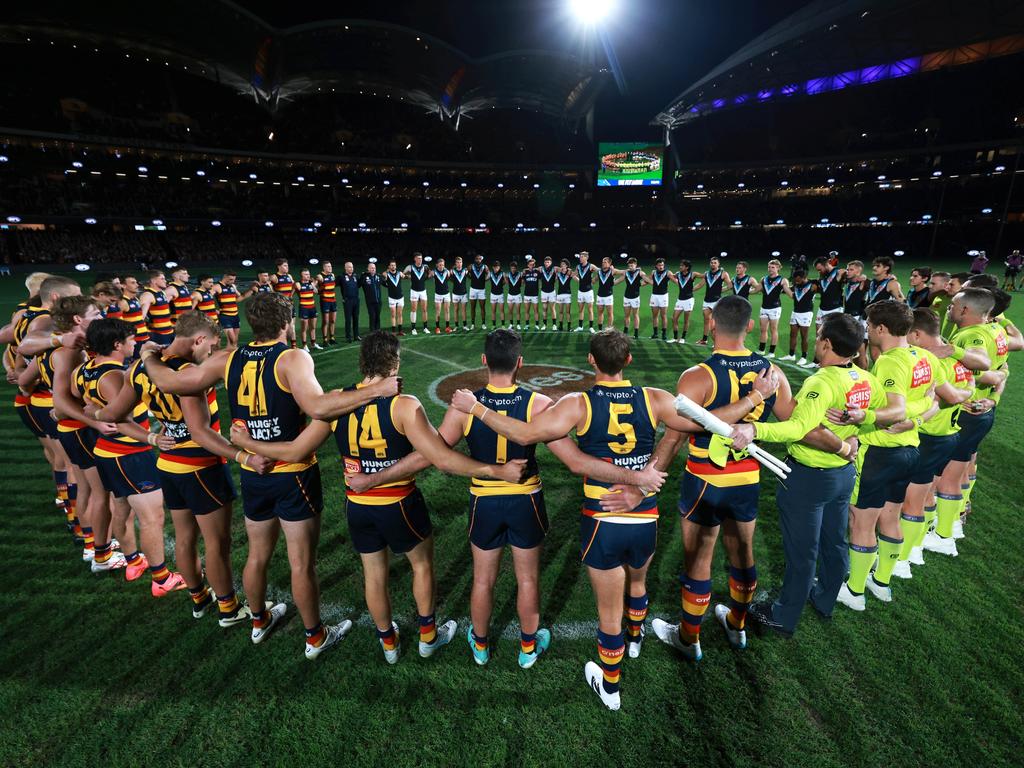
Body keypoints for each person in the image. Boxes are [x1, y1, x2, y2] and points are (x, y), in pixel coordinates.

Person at [338, 330, 665, 668]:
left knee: (482, 579)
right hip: (526, 501)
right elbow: (569, 454)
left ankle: (480, 645)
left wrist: (378, 475)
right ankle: (527, 647)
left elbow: (435, 453)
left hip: (484, 500)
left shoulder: (465, 407)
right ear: (520, 364)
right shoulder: (537, 404)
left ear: (484, 361)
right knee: (527, 578)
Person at [449, 331, 737, 711]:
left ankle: (610, 685)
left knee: (605, 612)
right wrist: (644, 477)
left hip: (600, 518)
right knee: (637, 583)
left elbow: (530, 436)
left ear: (591, 360)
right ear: (629, 360)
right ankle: (632, 639)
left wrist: (478, 409)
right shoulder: (656, 398)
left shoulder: (576, 403)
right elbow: (695, 426)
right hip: (643, 514)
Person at [230, 331, 528, 664]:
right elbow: (442, 458)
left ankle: (388, 644)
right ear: (395, 362)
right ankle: (428, 637)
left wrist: (249, 447)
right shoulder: (404, 405)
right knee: (422, 565)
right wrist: (494, 470)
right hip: (399, 502)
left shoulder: (337, 403)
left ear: (362, 362)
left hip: (358, 505)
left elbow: (296, 449)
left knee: (374, 574)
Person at [141, 293, 401, 657]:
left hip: (254, 468)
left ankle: (259, 620)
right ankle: (315, 637)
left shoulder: (228, 358)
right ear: (286, 323)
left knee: (257, 555)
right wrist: (377, 389)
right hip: (292, 472)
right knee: (300, 563)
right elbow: (317, 406)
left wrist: (148, 356)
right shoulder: (293, 357)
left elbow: (171, 383)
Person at [633, 297, 792, 659]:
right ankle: (736, 628)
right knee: (743, 554)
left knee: (699, 559)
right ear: (750, 327)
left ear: (711, 325)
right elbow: (790, 421)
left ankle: (689, 639)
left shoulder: (696, 376)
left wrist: (646, 480)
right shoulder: (772, 373)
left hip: (705, 479)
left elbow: (673, 438)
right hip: (748, 479)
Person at [96, 312, 266, 624]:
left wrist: (102, 414)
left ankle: (199, 598)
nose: (211, 354)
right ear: (198, 340)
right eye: (210, 347)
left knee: (185, 537)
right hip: (201, 466)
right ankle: (228, 608)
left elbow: (115, 415)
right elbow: (201, 432)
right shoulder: (187, 373)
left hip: (168, 465)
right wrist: (242, 457)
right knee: (217, 544)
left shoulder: (139, 367)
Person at [729, 314, 877, 637]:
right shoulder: (864, 378)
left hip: (810, 476)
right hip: (843, 474)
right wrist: (852, 439)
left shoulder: (821, 381)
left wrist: (754, 428)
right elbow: (881, 412)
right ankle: (825, 599)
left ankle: (784, 616)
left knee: (802, 551)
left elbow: (799, 428)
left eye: (818, 334)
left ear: (826, 343)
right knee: (834, 540)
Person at [833, 301, 937, 610]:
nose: (865, 329)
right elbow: (930, 401)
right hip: (909, 450)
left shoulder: (891, 361)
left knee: (861, 521)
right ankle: (881, 582)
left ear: (881, 328)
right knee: (891, 517)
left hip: (879, 452)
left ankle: (853, 592)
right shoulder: (924, 357)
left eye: (868, 324)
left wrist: (861, 415)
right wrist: (917, 417)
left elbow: (895, 409)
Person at [75, 318, 187, 596]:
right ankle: (161, 579)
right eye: (130, 340)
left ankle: (134, 562)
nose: (134, 343)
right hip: (129, 454)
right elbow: (118, 420)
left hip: (105, 452)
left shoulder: (84, 368)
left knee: (122, 508)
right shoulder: (114, 376)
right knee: (152, 517)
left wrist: (92, 411)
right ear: (117, 344)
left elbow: (78, 400)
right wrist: (151, 438)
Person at [891, 308, 977, 578]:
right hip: (948, 435)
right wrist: (972, 390)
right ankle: (917, 545)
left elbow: (945, 397)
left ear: (916, 334)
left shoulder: (932, 361)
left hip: (928, 435)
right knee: (927, 492)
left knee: (911, 499)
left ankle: (904, 559)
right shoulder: (957, 358)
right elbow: (964, 388)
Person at [45, 296, 126, 567]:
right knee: (99, 492)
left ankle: (92, 542)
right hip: (79, 429)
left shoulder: (65, 344)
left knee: (87, 488)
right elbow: (61, 400)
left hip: (72, 428)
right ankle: (98, 551)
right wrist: (93, 419)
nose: (101, 315)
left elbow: (26, 376)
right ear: (78, 320)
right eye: (95, 312)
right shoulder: (71, 349)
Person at [924, 288, 1000, 556]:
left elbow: (984, 363)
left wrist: (951, 350)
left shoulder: (972, 334)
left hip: (968, 412)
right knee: (960, 471)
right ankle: (950, 526)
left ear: (966, 310)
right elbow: (1003, 371)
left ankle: (943, 534)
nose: (949, 308)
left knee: (946, 478)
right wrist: (995, 398)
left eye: (954, 304)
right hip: (981, 410)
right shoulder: (996, 330)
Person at [779, 269, 816, 367]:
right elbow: (792, 292)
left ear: (804, 278)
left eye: (798, 280)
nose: (797, 282)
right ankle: (791, 355)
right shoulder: (796, 285)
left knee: (804, 336)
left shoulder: (812, 285)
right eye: (795, 280)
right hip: (795, 312)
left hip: (806, 313)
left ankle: (804, 357)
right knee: (793, 334)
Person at [757, 259, 788, 358]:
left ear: (778, 268)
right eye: (769, 267)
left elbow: (788, 290)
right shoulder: (763, 279)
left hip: (775, 308)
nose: (770, 269)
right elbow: (757, 289)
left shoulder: (782, 280)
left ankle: (771, 352)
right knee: (763, 330)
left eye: (773, 267)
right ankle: (761, 350)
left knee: (773, 330)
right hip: (764, 307)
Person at [696, 255, 730, 345]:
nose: (713, 264)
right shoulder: (707, 274)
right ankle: (704, 339)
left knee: (717, 323)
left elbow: (730, 285)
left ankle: (718, 341)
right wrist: (690, 289)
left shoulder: (723, 273)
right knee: (706, 320)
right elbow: (700, 285)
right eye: (711, 263)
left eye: (715, 263)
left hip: (716, 301)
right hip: (706, 301)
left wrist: (722, 290)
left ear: (718, 264)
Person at [843, 260, 869, 366]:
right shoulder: (849, 282)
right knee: (852, 349)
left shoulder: (863, 283)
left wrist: (865, 278)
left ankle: (864, 375)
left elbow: (873, 284)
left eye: (851, 270)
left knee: (861, 350)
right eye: (847, 269)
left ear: (859, 271)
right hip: (849, 316)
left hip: (858, 318)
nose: (848, 271)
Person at [140, 269, 175, 346]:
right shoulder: (148, 295)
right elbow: (140, 318)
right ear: (153, 281)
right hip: (159, 335)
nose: (165, 281)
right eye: (162, 279)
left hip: (170, 332)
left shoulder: (162, 293)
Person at [668, 259, 698, 344]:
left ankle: (683, 338)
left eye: (682, 266)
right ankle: (675, 338)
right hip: (680, 300)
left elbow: (705, 276)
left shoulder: (693, 274)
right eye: (680, 265)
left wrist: (696, 287)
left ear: (687, 267)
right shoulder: (678, 274)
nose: (680, 267)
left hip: (689, 300)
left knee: (686, 320)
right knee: (674, 318)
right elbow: (671, 276)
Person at [211, 272, 241, 348]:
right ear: (225, 278)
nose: (232, 281)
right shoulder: (217, 286)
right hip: (225, 316)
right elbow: (207, 299)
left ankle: (232, 356)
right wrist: (214, 309)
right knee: (232, 339)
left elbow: (239, 296)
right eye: (231, 279)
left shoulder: (232, 286)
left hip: (235, 315)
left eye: (234, 279)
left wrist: (235, 289)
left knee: (235, 341)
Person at [404, 252, 431, 335]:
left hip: (423, 291)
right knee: (414, 310)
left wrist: (426, 277)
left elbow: (430, 273)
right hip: (414, 291)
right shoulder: (410, 267)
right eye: (418, 258)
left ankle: (425, 328)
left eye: (421, 258)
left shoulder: (425, 266)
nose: (420, 260)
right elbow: (403, 274)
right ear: (415, 259)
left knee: (424, 309)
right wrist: (408, 277)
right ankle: (413, 329)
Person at [813, 256, 844, 326]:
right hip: (822, 308)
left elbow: (847, 277)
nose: (819, 272)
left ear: (826, 265)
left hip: (835, 308)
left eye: (820, 269)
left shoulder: (838, 272)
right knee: (819, 333)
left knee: (834, 333)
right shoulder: (822, 275)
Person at [595, 256, 623, 331]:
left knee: (609, 314)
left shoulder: (612, 271)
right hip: (599, 295)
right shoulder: (599, 271)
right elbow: (595, 279)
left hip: (608, 296)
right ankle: (600, 330)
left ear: (609, 263)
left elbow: (624, 272)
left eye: (605, 262)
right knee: (600, 313)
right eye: (603, 262)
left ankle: (609, 330)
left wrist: (617, 281)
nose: (603, 263)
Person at [646, 257, 670, 341]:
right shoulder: (653, 272)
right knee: (655, 316)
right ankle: (655, 333)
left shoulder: (667, 273)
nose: (661, 267)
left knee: (663, 315)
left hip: (663, 296)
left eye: (662, 265)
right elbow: (647, 280)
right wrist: (638, 284)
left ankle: (664, 334)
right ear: (656, 265)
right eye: (659, 265)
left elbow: (675, 279)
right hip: (654, 296)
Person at [572, 251, 597, 333]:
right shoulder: (578, 266)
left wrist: (594, 280)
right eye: (580, 256)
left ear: (586, 257)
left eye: (582, 257)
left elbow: (600, 272)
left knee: (590, 310)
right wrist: (579, 281)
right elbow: (573, 275)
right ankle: (580, 326)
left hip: (589, 291)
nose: (580, 258)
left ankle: (591, 327)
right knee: (581, 310)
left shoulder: (591, 266)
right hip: (580, 291)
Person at [296, 269, 321, 351]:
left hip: (312, 307)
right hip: (304, 308)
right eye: (306, 274)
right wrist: (311, 283)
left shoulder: (311, 283)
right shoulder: (298, 284)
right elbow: (299, 289)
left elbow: (316, 292)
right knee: (304, 328)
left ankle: (313, 343)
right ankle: (304, 345)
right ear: (302, 275)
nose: (308, 275)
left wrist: (313, 284)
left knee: (313, 327)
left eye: (308, 274)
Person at [621, 258, 645, 339]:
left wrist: (640, 284)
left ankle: (636, 333)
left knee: (635, 315)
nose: (630, 266)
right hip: (626, 297)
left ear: (635, 265)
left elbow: (647, 280)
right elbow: (619, 272)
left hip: (635, 297)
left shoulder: (640, 273)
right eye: (629, 265)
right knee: (626, 315)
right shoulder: (626, 272)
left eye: (632, 265)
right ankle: (625, 331)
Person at [317, 260, 338, 345]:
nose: (330, 268)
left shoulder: (332, 275)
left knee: (332, 320)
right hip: (325, 301)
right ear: (324, 268)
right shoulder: (320, 276)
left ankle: (332, 337)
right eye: (328, 266)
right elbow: (316, 288)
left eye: (331, 266)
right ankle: (325, 339)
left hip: (333, 300)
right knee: (325, 321)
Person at [340, 261, 361, 343]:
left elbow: (359, 284)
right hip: (347, 301)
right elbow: (333, 284)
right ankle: (348, 336)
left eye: (352, 267)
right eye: (349, 267)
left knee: (356, 318)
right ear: (345, 268)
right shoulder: (341, 277)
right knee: (348, 319)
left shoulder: (355, 276)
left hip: (356, 300)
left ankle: (356, 335)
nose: (351, 268)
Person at [383, 259, 405, 335]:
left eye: (394, 265)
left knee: (400, 314)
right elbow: (384, 276)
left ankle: (400, 331)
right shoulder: (387, 274)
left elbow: (404, 276)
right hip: (392, 297)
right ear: (389, 266)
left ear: (396, 266)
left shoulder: (399, 273)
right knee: (393, 314)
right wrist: (385, 274)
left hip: (400, 297)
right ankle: (393, 331)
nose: (393, 266)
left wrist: (405, 275)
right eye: (391, 265)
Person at [431, 257, 453, 334]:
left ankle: (447, 327)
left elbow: (449, 277)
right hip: (438, 294)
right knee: (438, 311)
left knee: (447, 311)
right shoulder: (434, 272)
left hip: (446, 294)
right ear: (437, 265)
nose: (441, 266)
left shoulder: (447, 271)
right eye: (440, 265)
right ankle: (437, 327)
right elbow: (429, 276)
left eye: (443, 265)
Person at [361, 260, 382, 332]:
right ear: (368, 269)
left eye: (374, 268)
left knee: (377, 317)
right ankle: (372, 331)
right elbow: (357, 284)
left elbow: (385, 284)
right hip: (370, 302)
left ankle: (378, 331)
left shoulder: (378, 276)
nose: (373, 269)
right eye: (372, 268)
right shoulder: (364, 277)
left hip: (378, 301)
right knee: (372, 317)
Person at [468, 253, 488, 330]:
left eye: (480, 259)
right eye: (477, 259)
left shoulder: (484, 266)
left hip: (482, 290)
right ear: (475, 259)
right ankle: (473, 324)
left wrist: (486, 279)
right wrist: (471, 278)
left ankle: (483, 323)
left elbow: (488, 273)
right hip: (473, 289)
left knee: (482, 307)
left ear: (481, 259)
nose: (478, 260)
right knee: (473, 307)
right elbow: (467, 273)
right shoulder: (471, 266)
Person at [521, 257, 541, 330]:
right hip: (526, 294)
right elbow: (522, 283)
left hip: (535, 294)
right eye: (530, 264)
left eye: (533, 265)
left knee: (536, 310)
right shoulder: (525, 272)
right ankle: (527, 325)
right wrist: (522, 277)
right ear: (528, 265)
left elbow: (541, 280)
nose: (531, 266)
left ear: (534, 265)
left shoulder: (537, 271)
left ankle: (537, 325)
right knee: (527, 311)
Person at [450, 256, 469, 330]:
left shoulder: (465, 271)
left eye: (460, 262)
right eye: (457, 262)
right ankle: (456, 326)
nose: (459, 264)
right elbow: (449, 278)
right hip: (455, 293)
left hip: (464, 293)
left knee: (464, 310)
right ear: (455, 263)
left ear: (462, 263)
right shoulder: (452, 271)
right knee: (456, 310)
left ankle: (464, 325)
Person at [539, 255, 558, 331]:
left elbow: (561, 269)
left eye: (548, 262)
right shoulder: (541, 269)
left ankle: (554, 325)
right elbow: (539, 277)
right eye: (546, 262)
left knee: (552, 308)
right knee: (544, 309)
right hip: (543, 292)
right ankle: (544, 325)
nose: (547, 263)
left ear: (551, 262)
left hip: (552, 292)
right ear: (544, 263)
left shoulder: (554, 269)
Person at [555, 259, 573, 331]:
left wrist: (569, 270)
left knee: (568, 312)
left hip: (568, 294)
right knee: (561, 312)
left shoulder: (569, 273)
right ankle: (561, 326)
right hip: (559, 294)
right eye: (561, 264)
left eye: (564, 264)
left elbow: (575, 275)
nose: (562, 266)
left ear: (567, 265)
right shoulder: (558, 274)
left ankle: (569, 327)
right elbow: (554, 279)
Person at [488, 260, 506, 328]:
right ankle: (493, 325)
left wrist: (501, 284)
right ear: (493, 267)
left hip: (500, 294)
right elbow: (485, 279)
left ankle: (503, 325)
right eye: (495, 267)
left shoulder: (502, 273)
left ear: (499, 267)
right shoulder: (490, 273)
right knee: (493, 311)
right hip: (493, 294)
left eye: (497, 267)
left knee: (502, 311)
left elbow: (505, 282)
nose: (496, 268)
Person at [505, 261, 523, 330]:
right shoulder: (508, 275)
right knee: (510, 311)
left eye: (514, 268)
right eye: (512, 268)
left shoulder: (519, 274)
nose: (513, 269)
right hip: (510, 295)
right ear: (510, 268)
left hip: (518, 295)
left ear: (516, 268)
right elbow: (506, 282)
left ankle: (518, 324)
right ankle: (511, 324)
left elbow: (522, 283)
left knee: (518, 311)